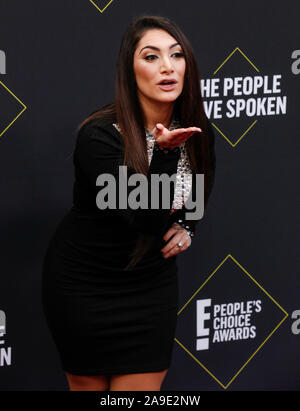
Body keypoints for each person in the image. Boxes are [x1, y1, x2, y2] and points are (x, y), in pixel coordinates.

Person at [41, 15, 216, 391]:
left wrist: (189, 225)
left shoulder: (195, 126)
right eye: (151, 57)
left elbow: (200, 182)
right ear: (129, 69)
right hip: (84, 287)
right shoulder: (99, 136)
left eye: (176, 55)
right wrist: (165, 154)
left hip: (150, 288)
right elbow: (146, 219)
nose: (167, 67)